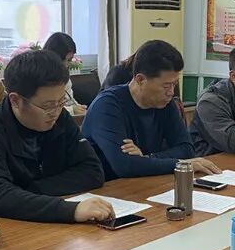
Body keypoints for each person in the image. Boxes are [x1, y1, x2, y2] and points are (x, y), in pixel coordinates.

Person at [0, 49, 112, 224]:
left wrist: (30, 191)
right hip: (9, 228)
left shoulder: (60, 118)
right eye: (48, 106)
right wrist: (70, 210)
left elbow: (93, 171)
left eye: (61, 102)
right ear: (15, 100)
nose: (56, 112)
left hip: (48, 222)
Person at [82, 40, 220, 179]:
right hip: (107, 187)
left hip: (147, 180)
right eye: (166, 86)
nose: (171, 92)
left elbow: (187, 150)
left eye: (174, 84)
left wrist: (147, 158)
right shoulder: (107, 106)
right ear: (140, 80)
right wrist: (180, 164)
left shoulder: (165, 103)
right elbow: (124, 165)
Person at [43, 32, 87, 115]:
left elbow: (70, 102)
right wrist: (72, 110)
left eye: (70, 60)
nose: (67, 65)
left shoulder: (65, 78)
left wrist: (79, 108)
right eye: (67, 60)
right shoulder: (40, 78)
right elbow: (46, 110)